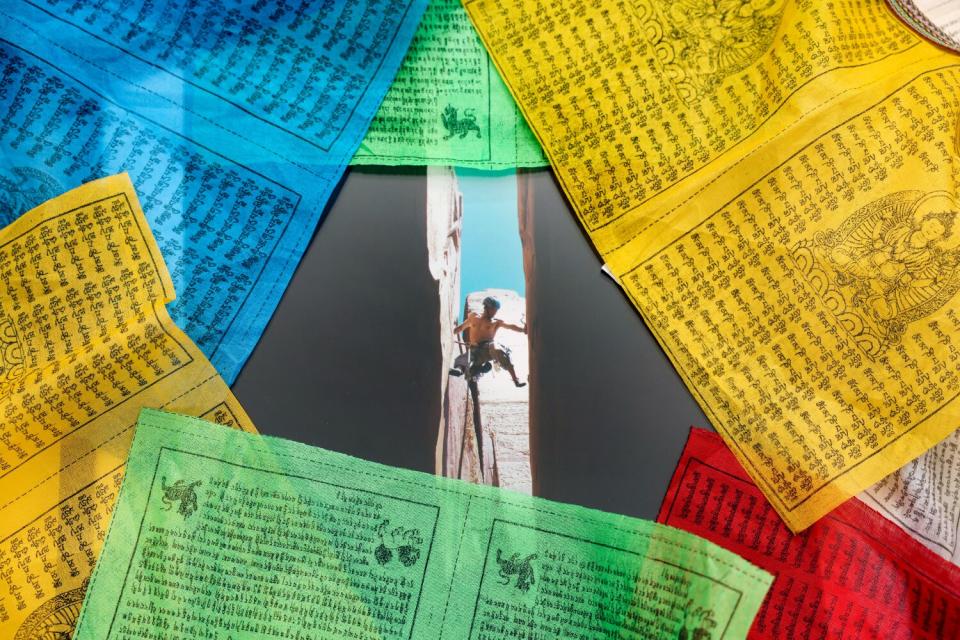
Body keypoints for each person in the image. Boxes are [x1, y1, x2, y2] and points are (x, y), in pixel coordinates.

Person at [450, 296, 527, 387]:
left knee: (498, 351)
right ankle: (462, 370)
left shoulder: (496, 322)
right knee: (465, 358)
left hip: (488, 349)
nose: (495, 312)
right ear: (487, 307)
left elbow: (510, 326)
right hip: (475, 349)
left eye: (496, 310)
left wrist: (523, 330)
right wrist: (452, 332)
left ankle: (516, 380)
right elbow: (461, 328)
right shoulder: (473, 317)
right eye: (494, 309)